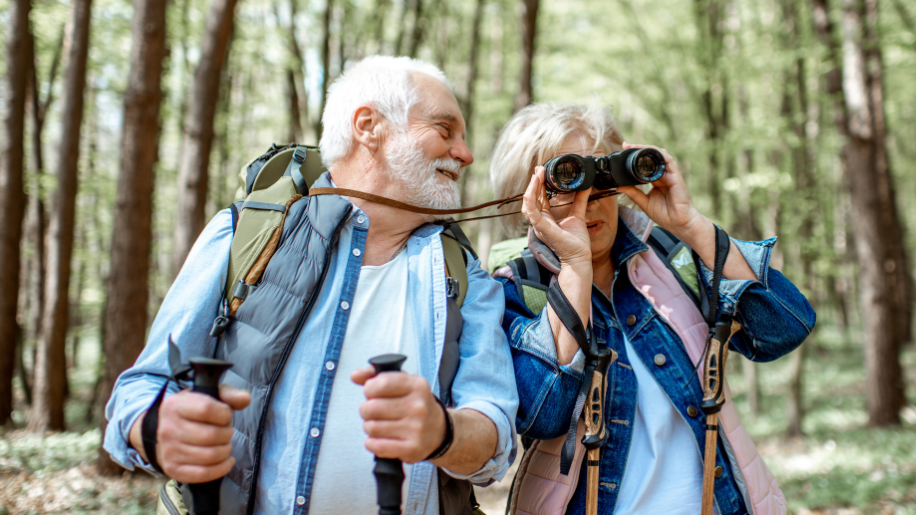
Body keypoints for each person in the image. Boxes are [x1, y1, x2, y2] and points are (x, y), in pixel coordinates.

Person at [103, 56, 518, 515]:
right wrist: (159, 430)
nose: (466, 152)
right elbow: (139, 392)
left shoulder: (466, 277)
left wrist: (442, 432)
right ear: (369, 126)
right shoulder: (247, 234)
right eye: (445, 129)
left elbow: (493, 439)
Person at [487, 103, 815, 515]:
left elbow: (784, 329)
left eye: (599, 177)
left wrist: (690, 225)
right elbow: (542, 415)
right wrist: (574, 269)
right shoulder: (517, 290)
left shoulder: (672, 258)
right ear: (526, 200)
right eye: (566, 180)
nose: (587, 202)